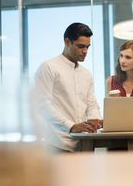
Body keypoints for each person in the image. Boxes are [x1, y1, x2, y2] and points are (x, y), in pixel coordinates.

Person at [32, 22, 102, 152]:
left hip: (85, 143)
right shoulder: (48, 67)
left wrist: (94, 120)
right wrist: (71, 126)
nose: (85, 51)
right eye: (80, 46)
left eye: (88, 47)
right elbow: (42, 105)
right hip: (57, 144)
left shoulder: (86, 74)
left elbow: (91, 104)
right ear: (67, 42)